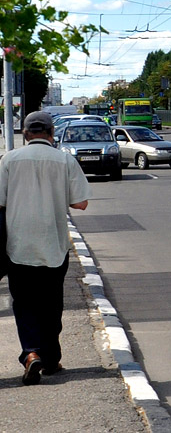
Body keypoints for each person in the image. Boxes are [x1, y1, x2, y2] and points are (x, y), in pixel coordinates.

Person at [0, 110, 91, 386]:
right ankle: (51, 359)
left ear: (25, 134)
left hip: (17, 245)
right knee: (51, 304)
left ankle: (31, 354)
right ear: (52, 133)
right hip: (53, 244)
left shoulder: (8, 160)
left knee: (24, 302)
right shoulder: (64, 160)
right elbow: (81, 203)